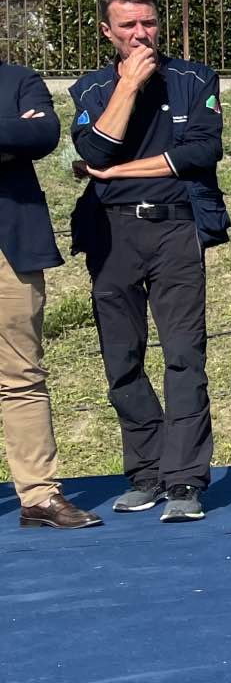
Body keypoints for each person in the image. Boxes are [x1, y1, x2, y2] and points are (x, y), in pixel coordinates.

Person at [70, 0, 227, 524]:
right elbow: (93, 149)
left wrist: (119, 171)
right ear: (107, 32)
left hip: (174, 230)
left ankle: (185, 479)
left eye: (149, 24)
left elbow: (203, 151)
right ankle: (146, 472)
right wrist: (129, 86)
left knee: (185, 354)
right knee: (122, 357)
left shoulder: (194, 78)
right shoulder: (90, 88)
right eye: (129, 26)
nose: (142, 35)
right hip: (111, 236)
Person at [1, 63, 93, 528]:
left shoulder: (20, 80)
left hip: (10, 245)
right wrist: (9, 135)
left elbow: (42, 137)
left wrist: (21, 136)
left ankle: (38, 496)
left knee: (22, 374)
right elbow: (19, 135)